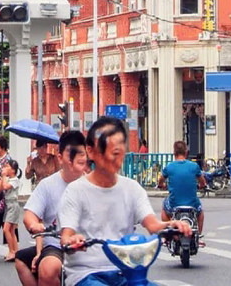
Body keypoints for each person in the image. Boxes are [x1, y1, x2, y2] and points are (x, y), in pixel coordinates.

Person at [60, 117, 191, 286]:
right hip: (87, 274)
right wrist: (72, 240)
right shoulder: (75, 191)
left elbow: (152, 225)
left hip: (127, 271)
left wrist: (173, 225)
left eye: (118, 151)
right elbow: (66, 236)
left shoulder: (132, 188)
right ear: (90, 151)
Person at [14, 130, 87, 286]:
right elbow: (30, 214)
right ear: (60, 158)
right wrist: (34, 225)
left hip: (88, 245)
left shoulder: (94, 184)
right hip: (57, 246)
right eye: (72, 155)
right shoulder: (47, 185)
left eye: (81, 155)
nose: (78, 160)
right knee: (47, 268)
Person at [158, 139, 206, 235]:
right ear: (186, 152)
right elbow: (202, 182)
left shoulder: (169, 167)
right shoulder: (194, 166)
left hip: (174, 204)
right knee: (200, 214)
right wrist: (201, 186)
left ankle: (168, 232)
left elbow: (161, 180)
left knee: (164, 207)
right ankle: (198, 235)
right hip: (192, 204)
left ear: (174, 153)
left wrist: (161, 185)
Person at [1, 159, 22, 261]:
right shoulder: (9, 179)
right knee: (12, 230)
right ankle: (16, 251)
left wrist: (4, 176)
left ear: (13, 170)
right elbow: (1, 188)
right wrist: (2, 177)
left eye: (8, 167)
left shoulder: (15, 180)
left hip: (13, 205)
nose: (5, 168)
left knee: (6, 229)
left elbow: (5, 187)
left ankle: (11, 251)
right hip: (8, 204)